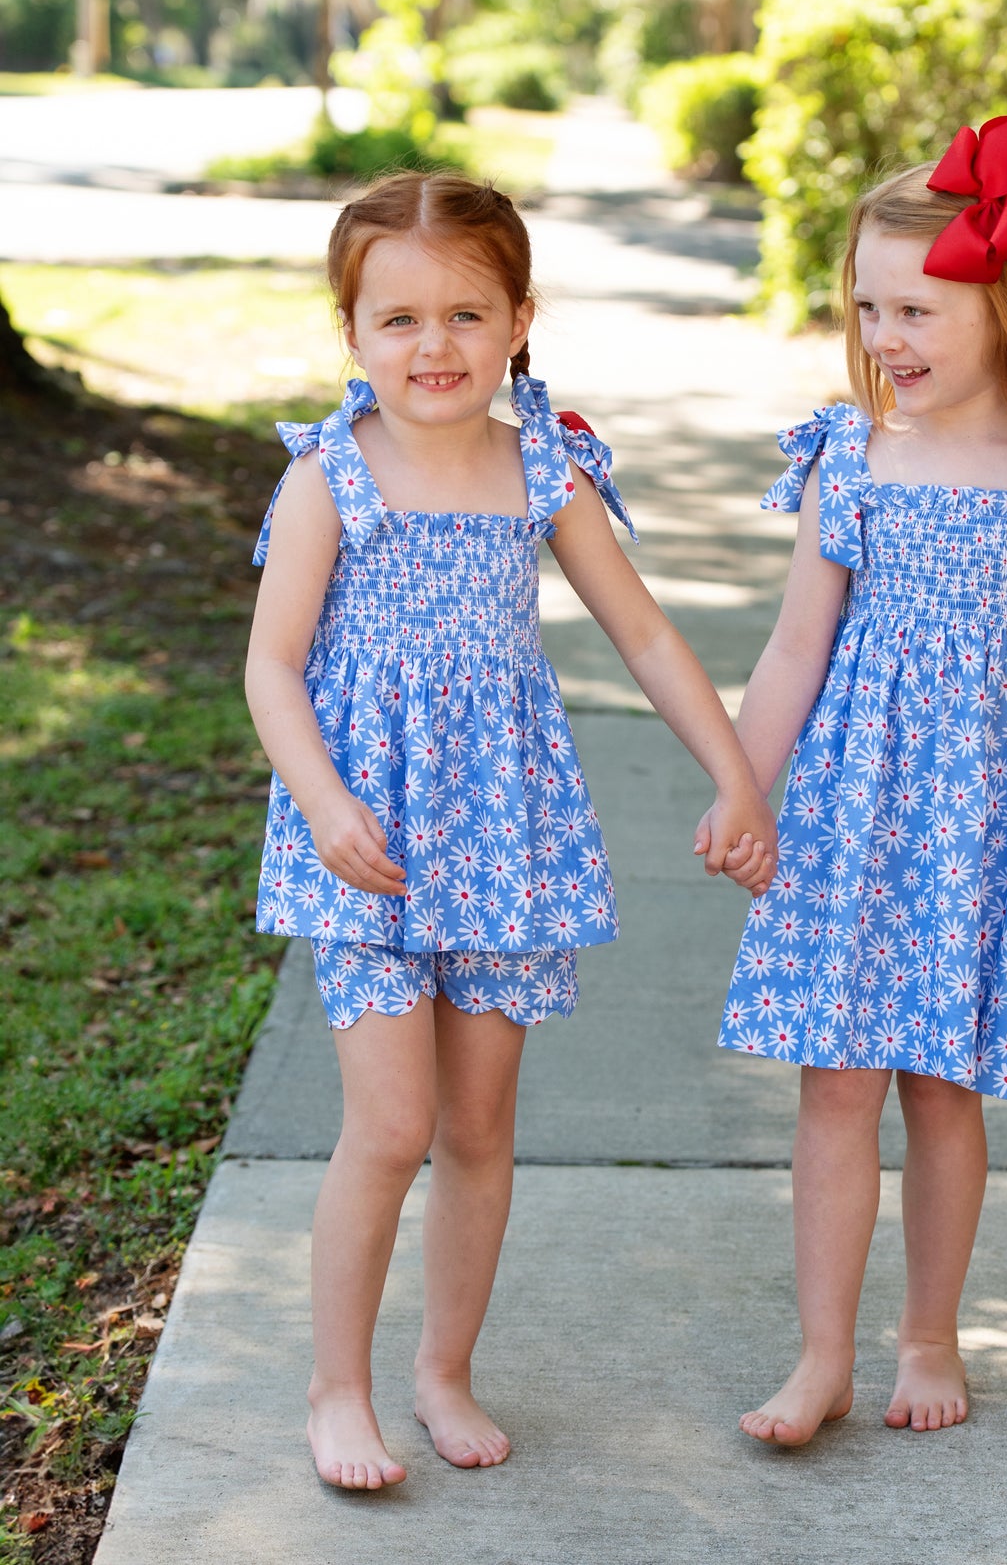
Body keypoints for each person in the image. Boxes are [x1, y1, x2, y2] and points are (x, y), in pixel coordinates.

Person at [246, 170, 775, 1491]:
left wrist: (734, 772)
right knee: (389, 1122)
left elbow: (642, 629)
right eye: (400, 319)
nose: (435, 347)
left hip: (505, 832)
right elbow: (271, 666)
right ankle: (336, 1388)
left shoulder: (541, 464)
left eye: (467, 314)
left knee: (480, 1127)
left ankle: (442, 1369)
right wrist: (322, 802)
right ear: (352, 332)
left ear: (521, 317)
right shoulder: (330, 474)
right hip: (364, 836)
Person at [712, 116, 1007, 1446]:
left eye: (917, 308)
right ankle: (820, 1353)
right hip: (849, 808)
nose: (885, 333)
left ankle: (927, 1332)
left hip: (987, 830)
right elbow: (794, 647)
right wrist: (742, 783)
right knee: (834, 1081)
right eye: (867, 306)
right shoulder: (852, 455)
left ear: (1004, 307)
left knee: (942, 1085)